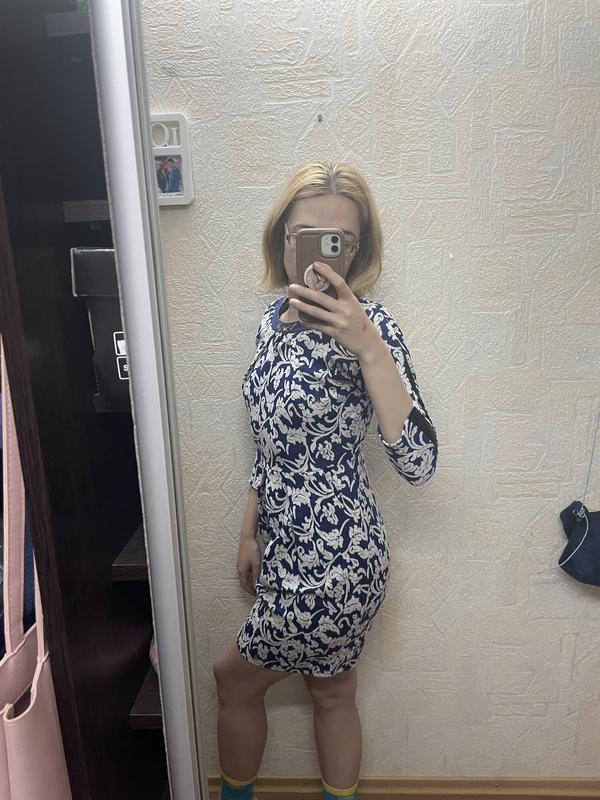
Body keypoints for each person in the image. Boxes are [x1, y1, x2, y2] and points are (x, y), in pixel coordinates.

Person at [213, 160, 438, 800]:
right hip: (285, 548)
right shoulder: (271, 323)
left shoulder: (375, 328)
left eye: (338, 241)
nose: (319, 256)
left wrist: (366, 344)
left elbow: (419, 464)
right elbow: (270, 441)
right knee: (332, 691)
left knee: (232, 678)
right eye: (305, 235)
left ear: (356, 252)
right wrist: (250, 530)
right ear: (283, 239)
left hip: (338, 560)